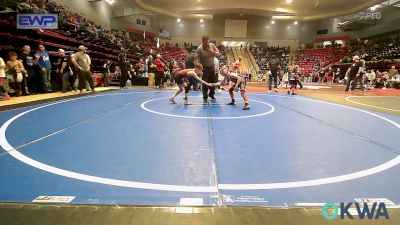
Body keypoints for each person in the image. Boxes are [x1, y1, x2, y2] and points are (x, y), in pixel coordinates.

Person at [195, 35, 220, 103]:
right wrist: (199, 67)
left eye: (208, 42)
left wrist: (213, 52)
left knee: (214, 82)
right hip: (204, 68)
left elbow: (218, 54)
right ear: (202, 41)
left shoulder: (212, 45)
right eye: (205, 42)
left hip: (212, 67)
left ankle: (211, 94)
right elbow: (197, 59)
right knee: (205, 82)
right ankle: (205, 96)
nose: (207, 44)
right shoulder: (199, 49)